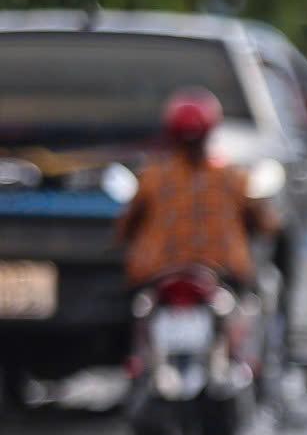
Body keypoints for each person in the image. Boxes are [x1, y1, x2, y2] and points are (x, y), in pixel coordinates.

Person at [117, 87, 277, 287]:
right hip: (223, 271)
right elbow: (266, 224)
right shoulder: (234, 176)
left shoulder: (151, 175)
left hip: (156, 271)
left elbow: (126, 226)